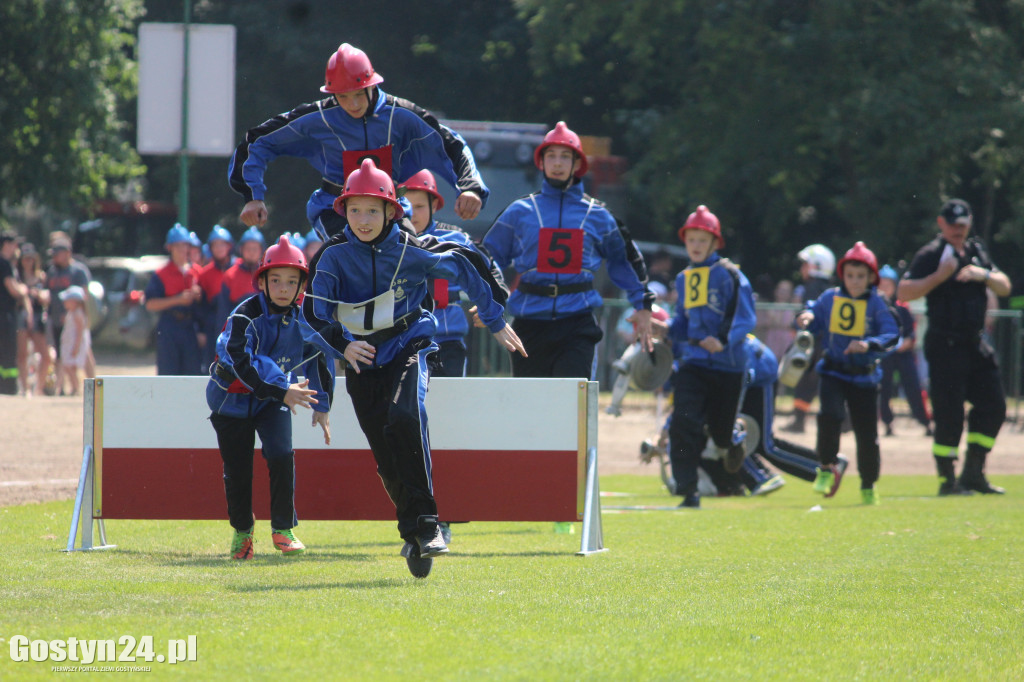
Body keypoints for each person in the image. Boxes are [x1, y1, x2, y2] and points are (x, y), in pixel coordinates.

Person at [301, 159, 526, 577]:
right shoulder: (330, 257)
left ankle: (428, 524)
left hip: (411, 343)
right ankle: (413, 534)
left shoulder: (412, 248)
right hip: (361, 360)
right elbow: (310, 317)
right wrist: (344, 346)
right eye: (354, 210)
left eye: (373, 210)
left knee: (405, 416)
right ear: (342, 212)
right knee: (385, 454)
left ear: (392, 211)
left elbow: (466, 261)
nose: (363, 220)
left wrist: (495, 319)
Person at [229, 43, 488, 240]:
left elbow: (450, 144)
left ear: (371, 86)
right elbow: (257, 140)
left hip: (391, 209)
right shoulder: (316, 117)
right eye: (343, 96)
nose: (352, 104)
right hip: (334, 211)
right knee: (347, 262)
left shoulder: (402, 115)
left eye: (358, 95)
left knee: (412, 265)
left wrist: (469, 188)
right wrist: (252, 195)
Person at [482, 121, 654, 380]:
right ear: (541, 163)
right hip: (529, 323)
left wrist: (642, 305)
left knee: (573, 402)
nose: (558, 163)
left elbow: (625, 259)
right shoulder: (519, 212)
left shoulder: (598, 215)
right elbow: (487, 257)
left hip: (577, 323)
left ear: (577, 165)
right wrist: (486, 296)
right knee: (533, 408)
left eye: (565, 156)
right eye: (551, 156)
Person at [207, 236, 334, 559]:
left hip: (276, 398)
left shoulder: (307, 316)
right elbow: (240, 362)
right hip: (230, 402)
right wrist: (282, 391)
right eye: (275, 279)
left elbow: (320, 354)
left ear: (302, 285)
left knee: (281, 455)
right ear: (261, 281)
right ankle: (242, 532)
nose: (282, 287)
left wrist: (322, 404)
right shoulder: (244, 316)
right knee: (237, 471)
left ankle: (282, 529)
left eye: (292, 281)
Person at [898, 198, 1012, 496]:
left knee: (994, 406)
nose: (958, 230)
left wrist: (982, 274)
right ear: (941, 224)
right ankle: (947, 480)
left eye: (962, 225)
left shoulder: (976, 252)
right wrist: (940, 276)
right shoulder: (932, 254)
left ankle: (973, 472)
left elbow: (1005, 286)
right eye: (952, 225)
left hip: (975, 343)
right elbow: (904, 291)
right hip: (945, 344)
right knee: (949, 414)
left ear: (969, 223)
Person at [667, 205, 757, 508]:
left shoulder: (731, 276)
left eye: (702, 240)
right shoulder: (684, 278)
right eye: (690, 239)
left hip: (728, 366)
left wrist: (721, 341)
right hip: (693, 364)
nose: (695, 246)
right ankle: (688, 490)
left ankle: (731, 439)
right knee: (682, 422)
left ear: (715, 243)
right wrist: (662, 328)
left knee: (719, 434)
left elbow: (744, 318)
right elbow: (683, 322)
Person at [796, 242, 899, 505]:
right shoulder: (830, 298)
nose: (854, 282)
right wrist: (806, 317)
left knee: (867, 435)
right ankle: (826, 467)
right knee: (828, 417)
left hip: (864, 377)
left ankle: (868, 484)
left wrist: (868, 344)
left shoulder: (877, 304)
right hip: (833, 372)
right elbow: (814, 314)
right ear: (842, 275)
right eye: (850, 276)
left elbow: (891, 334)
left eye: (861, 277)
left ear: (871, 278)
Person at [399, 169, 503, 378]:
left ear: (434, 205)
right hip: (402, 343)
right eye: (406, 206)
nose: (413, 213)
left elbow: (490, 269)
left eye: (419, 206)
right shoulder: (389, 241)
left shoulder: (456, 238)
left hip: (448, 343)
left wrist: (494, 303)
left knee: (450, 405)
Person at [783, 244, 836, 433]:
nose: (802, 268)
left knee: (806, 381)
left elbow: (808, 314)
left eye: (805, 264)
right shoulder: (827, 287)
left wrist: (796, 327)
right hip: (827, 344)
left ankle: (799, 421)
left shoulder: (812, 287)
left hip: (815, 344)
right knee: (820, 383)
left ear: (817, 265)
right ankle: (845, 421)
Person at [876, 264, 932, 437]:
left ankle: (925, 422)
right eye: (881, 285)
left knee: (913, 387)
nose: (885, 288)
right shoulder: (875, 308)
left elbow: (911, 334)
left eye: (888, 285)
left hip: (903, 354)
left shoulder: (902, 308)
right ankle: (887, 423)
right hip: (884, 356)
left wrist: (905, 343)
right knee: (883, 389)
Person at [144, 225, 203, 375]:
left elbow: (207, 303)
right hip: (169, 326)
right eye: (178, 246)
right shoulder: (161, 274)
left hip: (190, 327)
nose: (183, 250)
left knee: (192, 372)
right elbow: (150, 304)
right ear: (170, 248)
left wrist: (198, 295)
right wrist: (177, 300)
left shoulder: (197, 272)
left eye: (185, 245)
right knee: (168, 372)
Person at [44, 236, 91, 392]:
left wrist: (72, 314)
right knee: (60, 354)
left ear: (67, 253)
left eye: (58, 253)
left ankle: (90, 384)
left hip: (74, 319)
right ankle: (61, 387)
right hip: (55, 319)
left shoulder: (78, 271)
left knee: (82, 352)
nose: (54, 257)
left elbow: (84, 296)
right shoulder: (51, 271)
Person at [197, 225, 237, 371]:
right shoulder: (204, 274)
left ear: (229, 246)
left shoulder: (239, 267)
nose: (219, 248)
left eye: (222, 244)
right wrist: (201, 330)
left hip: (237, 320)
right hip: (213, 325)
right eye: (215, 245)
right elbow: (201, 306)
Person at [15, 243, 52, 396]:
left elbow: (48, 298)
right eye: (25, 259)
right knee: (22, 354)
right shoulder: (16, 276)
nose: (28, 261)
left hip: (37, 316)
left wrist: (40, 295)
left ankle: (39, 387)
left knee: (46, 355)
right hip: (21, 315)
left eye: (31, 258)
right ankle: (25, 388)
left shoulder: (41, 277)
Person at [216, 227, 265, 331]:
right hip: (238, 330)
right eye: (248, 249)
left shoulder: (267, 276)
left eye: (255, 249)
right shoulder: (230, 275)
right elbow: (223, 312)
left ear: (261, 251)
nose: (251, 252)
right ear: (241, 250)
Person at [1, 232, 28, 395]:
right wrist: (24, 290)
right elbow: (13, 288)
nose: (16, 248)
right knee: (9, 350)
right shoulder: (4, 263)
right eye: (14, 244)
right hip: (5, 315)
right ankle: (9, 387)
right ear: (6, 245)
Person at [57, 285, 90, 396]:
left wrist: (76, 347)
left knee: (69, 366)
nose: (65, 302)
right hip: (69, 343)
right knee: (69, 366)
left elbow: (80, 332)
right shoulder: (71, 313)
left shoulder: (78, 314)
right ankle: (74, 387)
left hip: (74, 345)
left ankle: (76, 387)